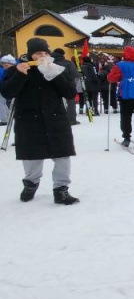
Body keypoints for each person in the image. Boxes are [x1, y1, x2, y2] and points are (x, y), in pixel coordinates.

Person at [0, 38, 80, 204]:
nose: (42, 56)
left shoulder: (56, 69)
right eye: (38, 53)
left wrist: (53, 74)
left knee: (62, 155)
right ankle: (31, 183)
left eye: (45, 53)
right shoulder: (16, 70)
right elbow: (7, 93)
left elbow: (70, 93)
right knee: (32, 157)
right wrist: (20, 75)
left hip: (56, 119)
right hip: (29, 120)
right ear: (30, 54)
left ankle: (61, 190)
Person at [51, 48, 81, 126]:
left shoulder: (50, 63)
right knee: (71, 102)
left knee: (54, 102)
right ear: (63, 54)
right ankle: (71, 120)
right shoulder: (68, 63)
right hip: (68, 85)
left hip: (53, 85)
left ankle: (55, 119)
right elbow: (75, 75)